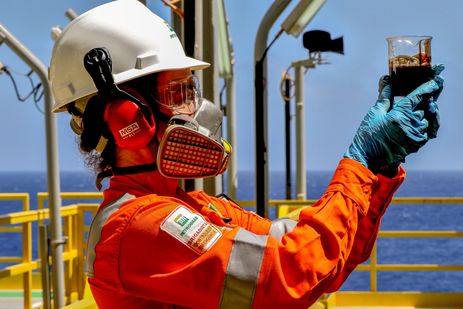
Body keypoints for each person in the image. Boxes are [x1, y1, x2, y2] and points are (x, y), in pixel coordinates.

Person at [49, 1, 444, 308]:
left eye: (191, 92)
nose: (194, 111)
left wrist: (381, 167)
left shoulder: (191, 207)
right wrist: (361, 160)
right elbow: (288, 275)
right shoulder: (137, 228)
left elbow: (319, 260)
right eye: (178, 94)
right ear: (127, 118)